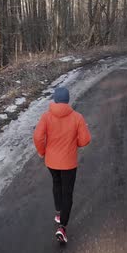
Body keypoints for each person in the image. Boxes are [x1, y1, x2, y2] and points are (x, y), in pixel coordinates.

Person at [33, 87, 91, 243]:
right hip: (69, 163)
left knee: (56, 184)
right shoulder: (77, 117)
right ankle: (62, 227)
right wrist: (75, 143)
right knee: (67, 193)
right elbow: (85, 139)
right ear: (67, 100)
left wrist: (41, 151)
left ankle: (59, 212)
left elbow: (38, 136)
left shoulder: (46, 117)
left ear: (55, 100)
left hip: (51, 162)